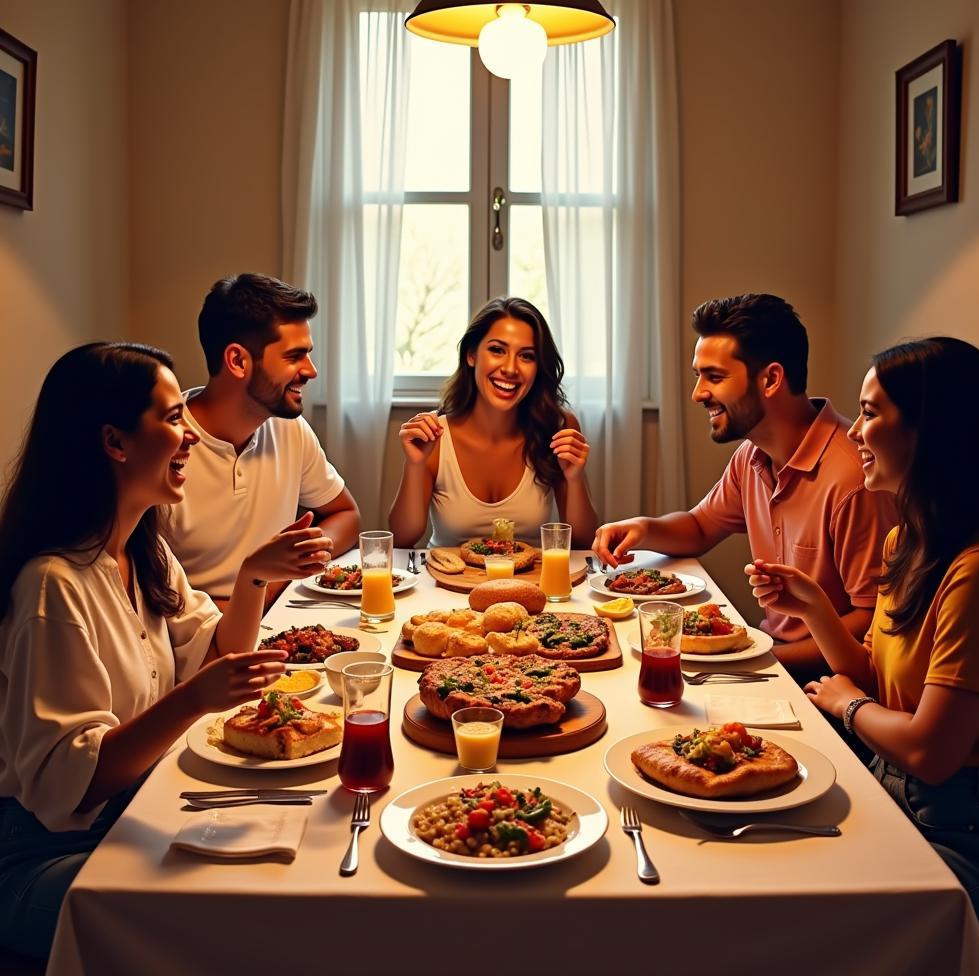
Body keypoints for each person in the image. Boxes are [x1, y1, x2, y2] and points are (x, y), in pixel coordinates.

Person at [0, 343, 334, 959]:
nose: (189, 437)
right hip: (48, 852)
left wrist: (254, 578)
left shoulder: (142, 551)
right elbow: (69, 784)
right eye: (173, 417)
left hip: (132, 812)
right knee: (240, 920)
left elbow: (217, 650)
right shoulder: (53, 586)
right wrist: (193, 701)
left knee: (294, 856)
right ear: (115, 442)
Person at [746, 337, 979, 946]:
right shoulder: (910, 543)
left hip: (974, 832)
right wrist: (816, 608)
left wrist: (846, 705)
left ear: (929, 431)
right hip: (896, 787)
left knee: (797, 928)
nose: (854, 433)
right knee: (753, 865)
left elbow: (932, 749)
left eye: (870, 414)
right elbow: (876, 673)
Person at [592, 293, 896, 681]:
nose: (698, 393)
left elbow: (871, 624)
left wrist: (751, 658)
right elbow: (700, 527)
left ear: (770, 379)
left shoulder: (855, 479)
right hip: (773, 660)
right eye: (698, 376)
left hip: (824, 684)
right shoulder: (752, 455)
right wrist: (644, 528)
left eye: (714, 377)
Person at [164, 274, 360, 605]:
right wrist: (256, 596)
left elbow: (347, 516)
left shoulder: (288, 428)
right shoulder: (164, 444)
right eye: (294, 356)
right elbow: (146, 595)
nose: (311, 371)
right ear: (238, 361)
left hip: (274, 616)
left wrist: (283, 574)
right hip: (196, 638)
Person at [388, 297, 598, 549]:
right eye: (497, 350)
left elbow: (584, 542)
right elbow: (403, 539)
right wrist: (415, 464)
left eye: (527, 356)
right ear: (471, 355)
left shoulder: (558, 427)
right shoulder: (435, 434)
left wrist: (574, 479)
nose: (510, 368)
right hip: (447, 584)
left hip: (531, 582)